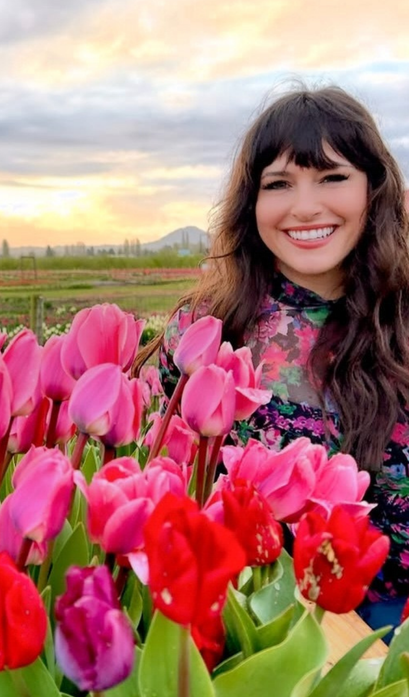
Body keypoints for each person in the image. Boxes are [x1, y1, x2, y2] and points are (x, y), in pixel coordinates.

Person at [134, 85, 409, 631]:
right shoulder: (208, 331)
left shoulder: (401, 324)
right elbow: (168, 467)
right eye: (279, 184)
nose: (305, 207)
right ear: (252, 203)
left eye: (333, 177)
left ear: (373, 190)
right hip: (246, 618)